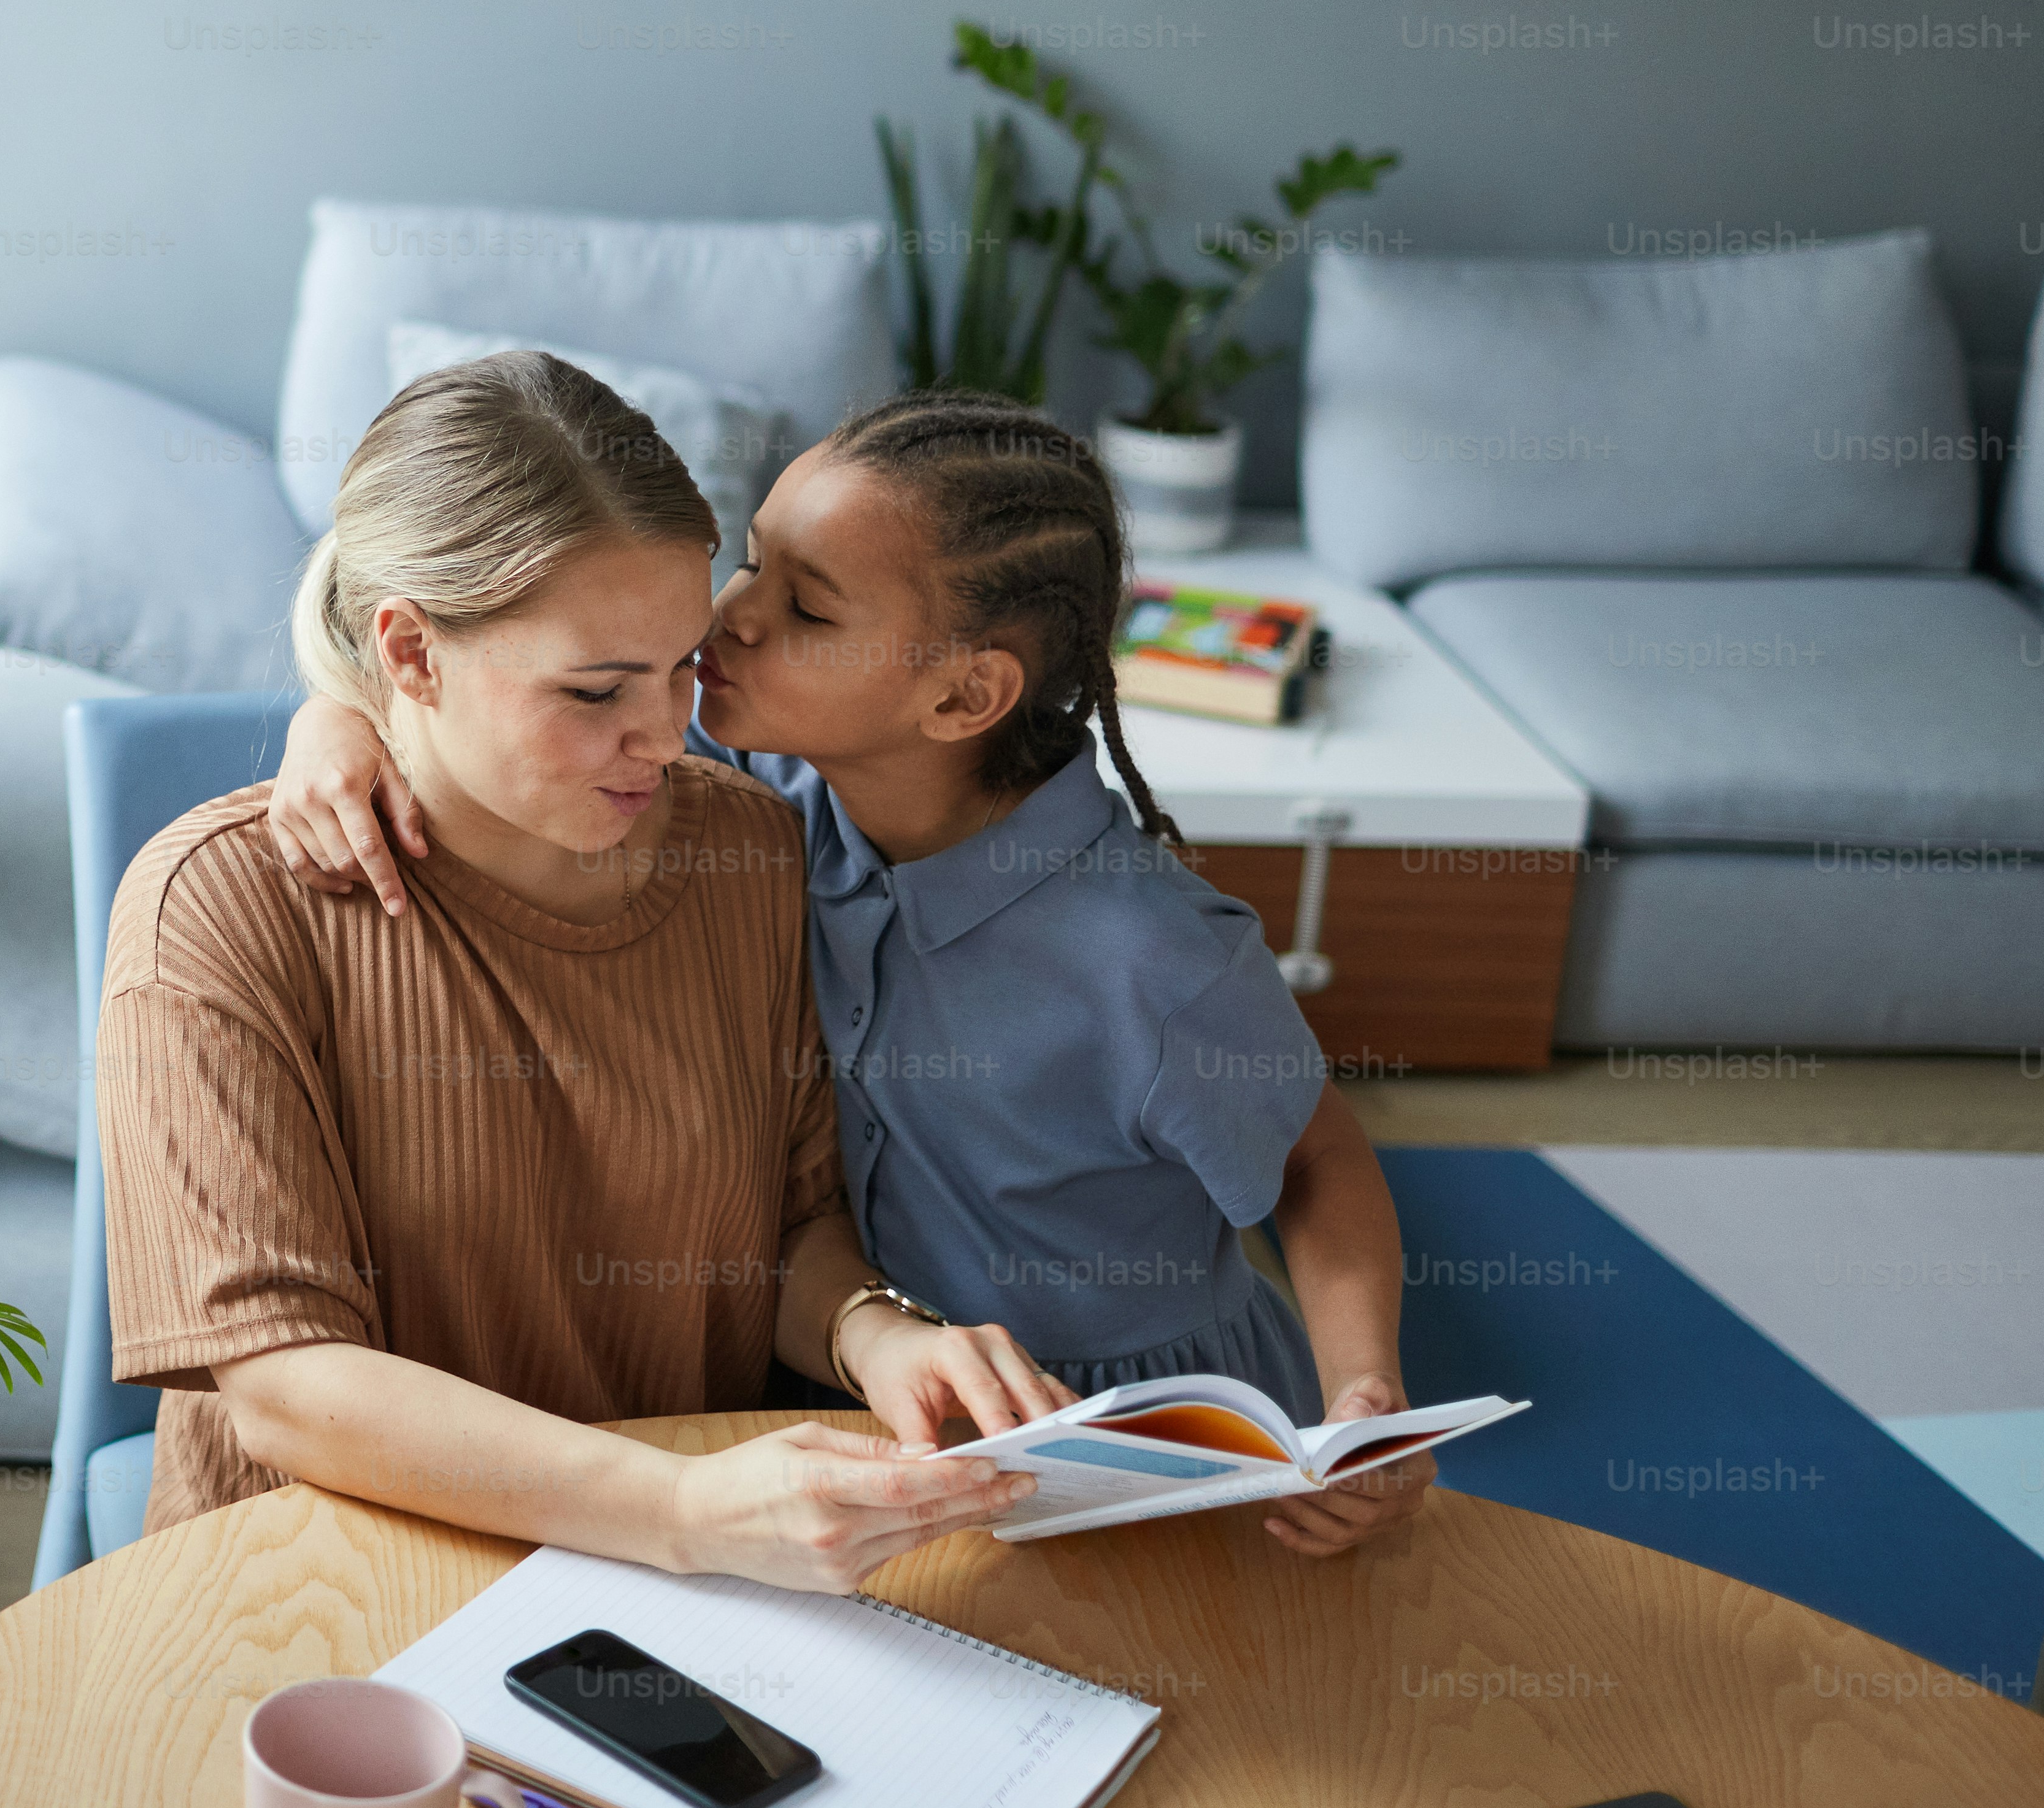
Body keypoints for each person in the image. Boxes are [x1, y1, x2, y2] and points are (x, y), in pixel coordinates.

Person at [266, 387, 1430, 1558]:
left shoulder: (1157, 959)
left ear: (963, 695)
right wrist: (343, 715)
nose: (728, 619)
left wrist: (1366, 1395)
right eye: (757, 559)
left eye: (806, 609)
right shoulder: (756, 786)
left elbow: (1317, 1161)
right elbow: (464, 665)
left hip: (1144, 1439)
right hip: (866, 1386)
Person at [96, 353, 1059, 1595]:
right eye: (596, 690)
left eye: (680, 668)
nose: (665, 736)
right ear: (409, 650)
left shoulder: (747, 850)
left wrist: (874, 1332)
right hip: (321, 1589)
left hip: (680, 1581)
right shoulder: (219, 910)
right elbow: (285, 1387)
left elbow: (785, 1225)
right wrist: (677, 1506)